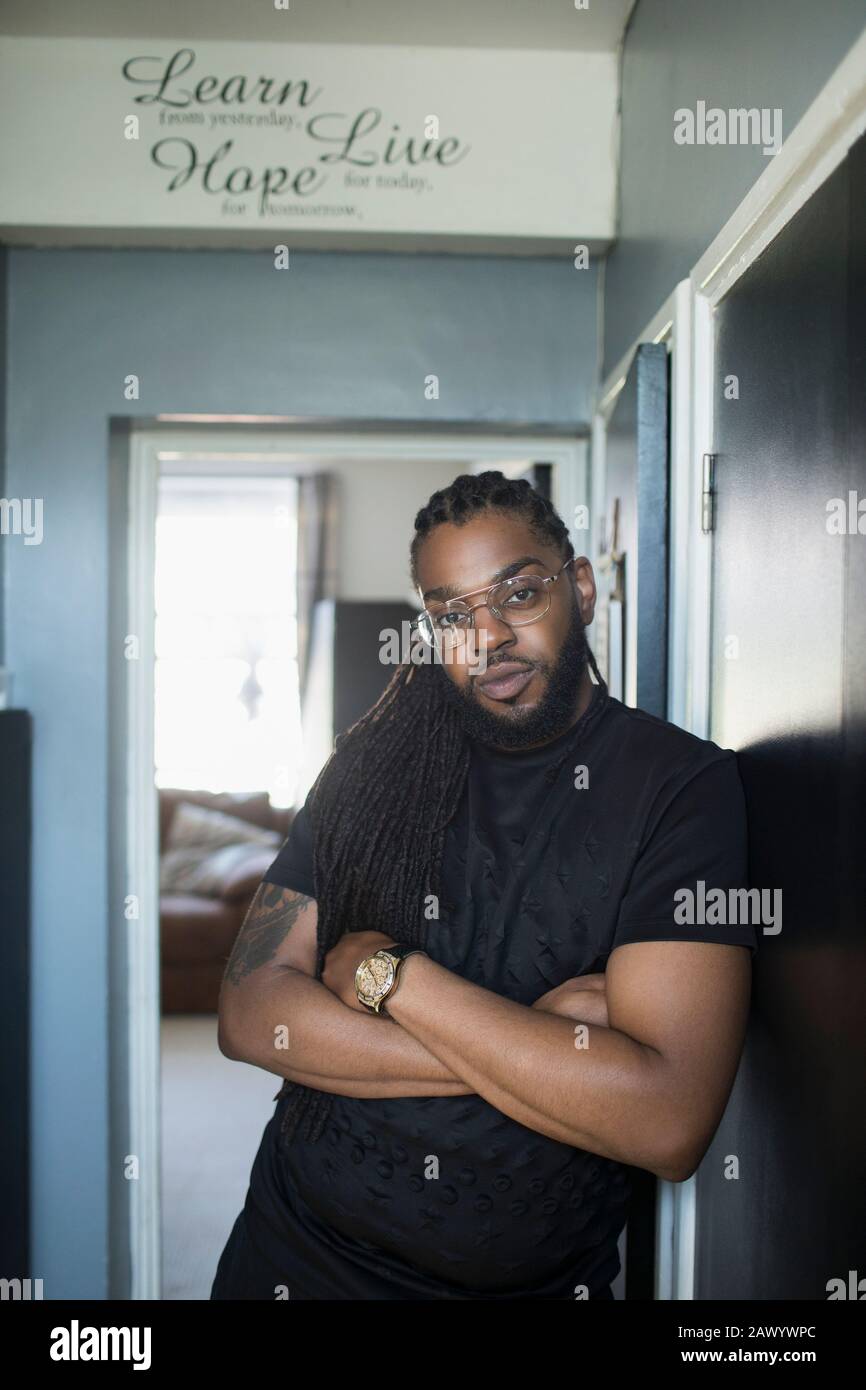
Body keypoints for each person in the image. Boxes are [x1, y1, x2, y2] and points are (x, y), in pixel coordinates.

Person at [211, 471, 757, 1301]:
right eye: (452, 614)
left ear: (580, 587)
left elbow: (669, 1123)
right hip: (293, 1257)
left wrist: (393, 976)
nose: (487, 637)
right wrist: (535, 1046)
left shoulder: (680, 789)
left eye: (518, 594)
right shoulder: (372, 762)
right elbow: (250, 1014)